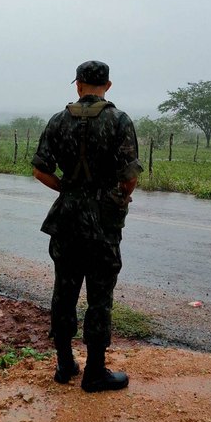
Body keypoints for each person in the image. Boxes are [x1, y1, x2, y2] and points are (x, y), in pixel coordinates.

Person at [31, 60, 142, 393]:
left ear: (78, 85)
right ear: (107, 86)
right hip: (103, 223)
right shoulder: (119, 120)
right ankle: (94, 372)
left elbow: (40, 170)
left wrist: (67, 190)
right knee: (99, 297)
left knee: (64, 293)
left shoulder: (58, 120)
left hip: (66, 218)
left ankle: (64, 364)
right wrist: (118, 198)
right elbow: (130, 177)